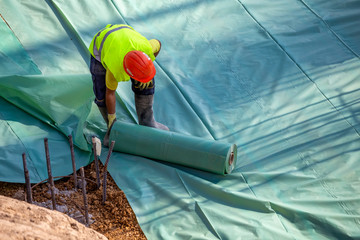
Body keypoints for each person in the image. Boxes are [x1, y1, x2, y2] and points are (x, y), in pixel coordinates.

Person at [89, 24, 169, 146]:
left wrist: (148, 63)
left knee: (146, 81)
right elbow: (110, 94)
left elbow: (158, 43)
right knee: (101, 92)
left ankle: (147, 122)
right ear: (126, 71)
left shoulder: (147, 47)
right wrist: (112, 118)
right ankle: (112, 129)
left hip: (125, 34)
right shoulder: (114, 68)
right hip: (101, 45)